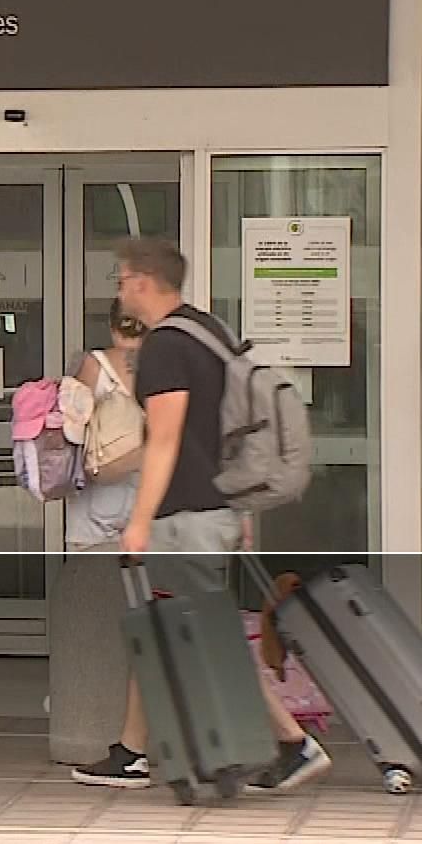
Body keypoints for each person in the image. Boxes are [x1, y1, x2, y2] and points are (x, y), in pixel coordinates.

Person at [72, 238, 332, 793]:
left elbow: (164, 440)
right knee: (165, 627)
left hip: (184, 515)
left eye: (122, 279)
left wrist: (139, 521)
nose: (119, 290)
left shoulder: (167, 346)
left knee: (202, 634)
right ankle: (132, 751)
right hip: (210, 508)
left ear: (142, 282)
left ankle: (293, 742)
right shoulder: (208, 331)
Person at [67, 299, 147, 551]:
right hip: (148, 501)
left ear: (112, 328)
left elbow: (72, 433)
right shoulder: (163, 366)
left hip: (96, 508)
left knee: (96, 573)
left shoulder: (94, 365)